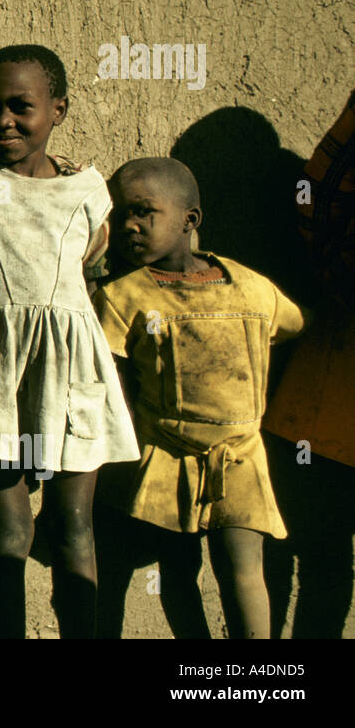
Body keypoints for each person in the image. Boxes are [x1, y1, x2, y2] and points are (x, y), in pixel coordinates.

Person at [0, 44, 139, 638]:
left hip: (71, 374)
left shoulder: (91, 193)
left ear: (59, 110)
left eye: (22, 106)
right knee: (7, 530)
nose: (4, 122)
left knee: (74, 528)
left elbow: (94, 286)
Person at [92, 158, 305, 638]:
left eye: (144, 212)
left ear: (190, 220)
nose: (129, 225)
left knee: (242, 571)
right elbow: (107, 373)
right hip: (166, 453)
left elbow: (296, 326)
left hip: (240, 457)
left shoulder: (250, 288)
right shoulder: (124, 297)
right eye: (120, 213)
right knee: (176, 569)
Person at [261, 88, 355, 637]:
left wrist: (330, 271)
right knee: (311, 547)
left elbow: (315, 196)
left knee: (312, 550)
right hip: (332, 395)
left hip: (332, 391)